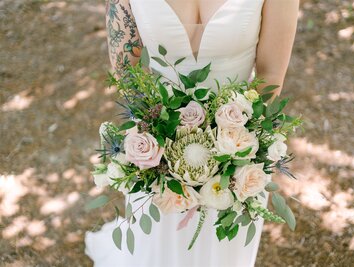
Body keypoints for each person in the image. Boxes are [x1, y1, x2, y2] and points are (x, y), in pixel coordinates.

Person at [85, 0, 299, 266]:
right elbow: (126, 72)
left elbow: (270, 76)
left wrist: (234, 148)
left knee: (222, 251)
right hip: (156, 156)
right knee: (158, 249)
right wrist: (155, 145)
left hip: (238, 152)